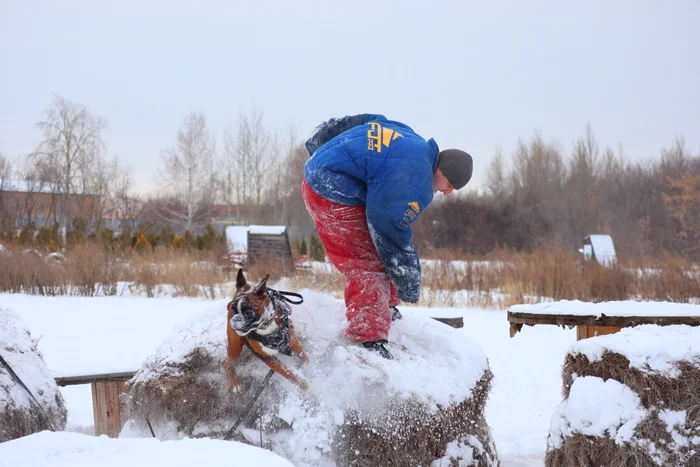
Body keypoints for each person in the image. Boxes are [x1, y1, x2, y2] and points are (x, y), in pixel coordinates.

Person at [302, 114, 473, 359]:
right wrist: (409, 280)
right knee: (367, 262)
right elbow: (389, 228)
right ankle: (366, 340)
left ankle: (385, 306)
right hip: (330, 188)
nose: (446, 193)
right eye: (451, 185)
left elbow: (368, 120)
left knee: (376, 249)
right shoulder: (417, 181)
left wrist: (319, 143)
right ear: (444, 171)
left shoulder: (410, 137)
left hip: (325, 175)